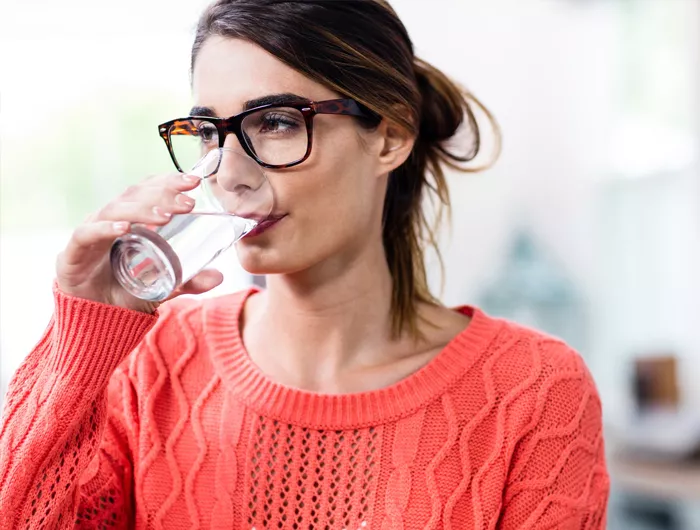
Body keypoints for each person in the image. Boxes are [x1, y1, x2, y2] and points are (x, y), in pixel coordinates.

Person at [0, 0, 609, 528]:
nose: (231, 176)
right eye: (211, 133)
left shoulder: (533, 391)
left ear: (390, 136)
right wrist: (84, 333)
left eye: (277, 123)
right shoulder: (153, 362)